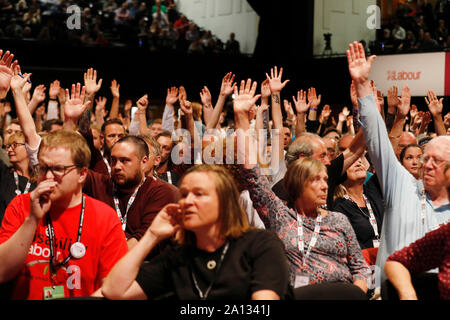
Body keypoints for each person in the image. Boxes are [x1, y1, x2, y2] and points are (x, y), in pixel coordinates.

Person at [233, 79, 369, 295]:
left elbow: (361, 268)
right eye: (317, 180)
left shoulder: (338, 219)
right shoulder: (280, 214)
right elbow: (251, 173)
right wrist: (241, 119)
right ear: (298, 181)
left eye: (326, 180)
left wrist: (358, 293)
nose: (325, 186)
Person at [100, 165, 292, 300]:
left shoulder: (260, 243)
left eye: (198, 194)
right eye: (183, 195)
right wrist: (152, 235)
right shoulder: (178, 257)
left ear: (224, 202)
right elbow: (114, 290)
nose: (187, 201)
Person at [346, 41, 450, 290]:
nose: (427, 165)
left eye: (437, 161)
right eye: (427, 158)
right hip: (392, 293)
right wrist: (362, 86)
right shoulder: (402, 185)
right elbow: (376, 139)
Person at [0, 130, 128, 299]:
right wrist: (32, 219)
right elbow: (2, 271)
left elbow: (111, 288)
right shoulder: (22, 204)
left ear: (82, 174)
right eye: (43, 168)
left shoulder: (105, 218)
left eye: (58, 169)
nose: (48, 176)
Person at [333, 157, 384, 250]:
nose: (358, 164)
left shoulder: (372, 192)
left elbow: (385, 163)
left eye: (360, 161)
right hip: (364, 260)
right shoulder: (339, 207)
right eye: (352, 163)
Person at [0, 132, 36, 222]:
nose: (9, 150)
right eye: (8, 146)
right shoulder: (4, 174)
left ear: (28, 148)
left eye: (15, 145)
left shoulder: (39, 181)